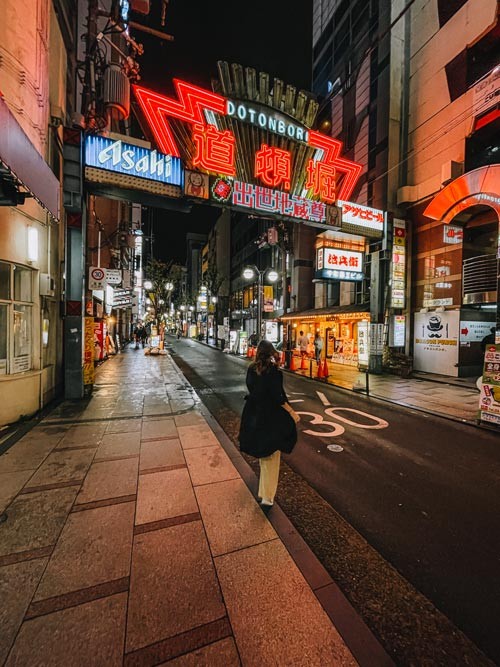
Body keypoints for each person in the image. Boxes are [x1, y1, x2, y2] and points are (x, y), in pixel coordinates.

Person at [239, 340, 298, 511]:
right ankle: (268, 498)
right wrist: (292, 413)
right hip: (271, 418)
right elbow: (279, 398)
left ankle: (263, 493)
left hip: (254, 416)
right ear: (271, 353)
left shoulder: (251, 369)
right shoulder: (274, 373)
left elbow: (251, 389)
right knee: (272, 458)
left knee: (264, 458)